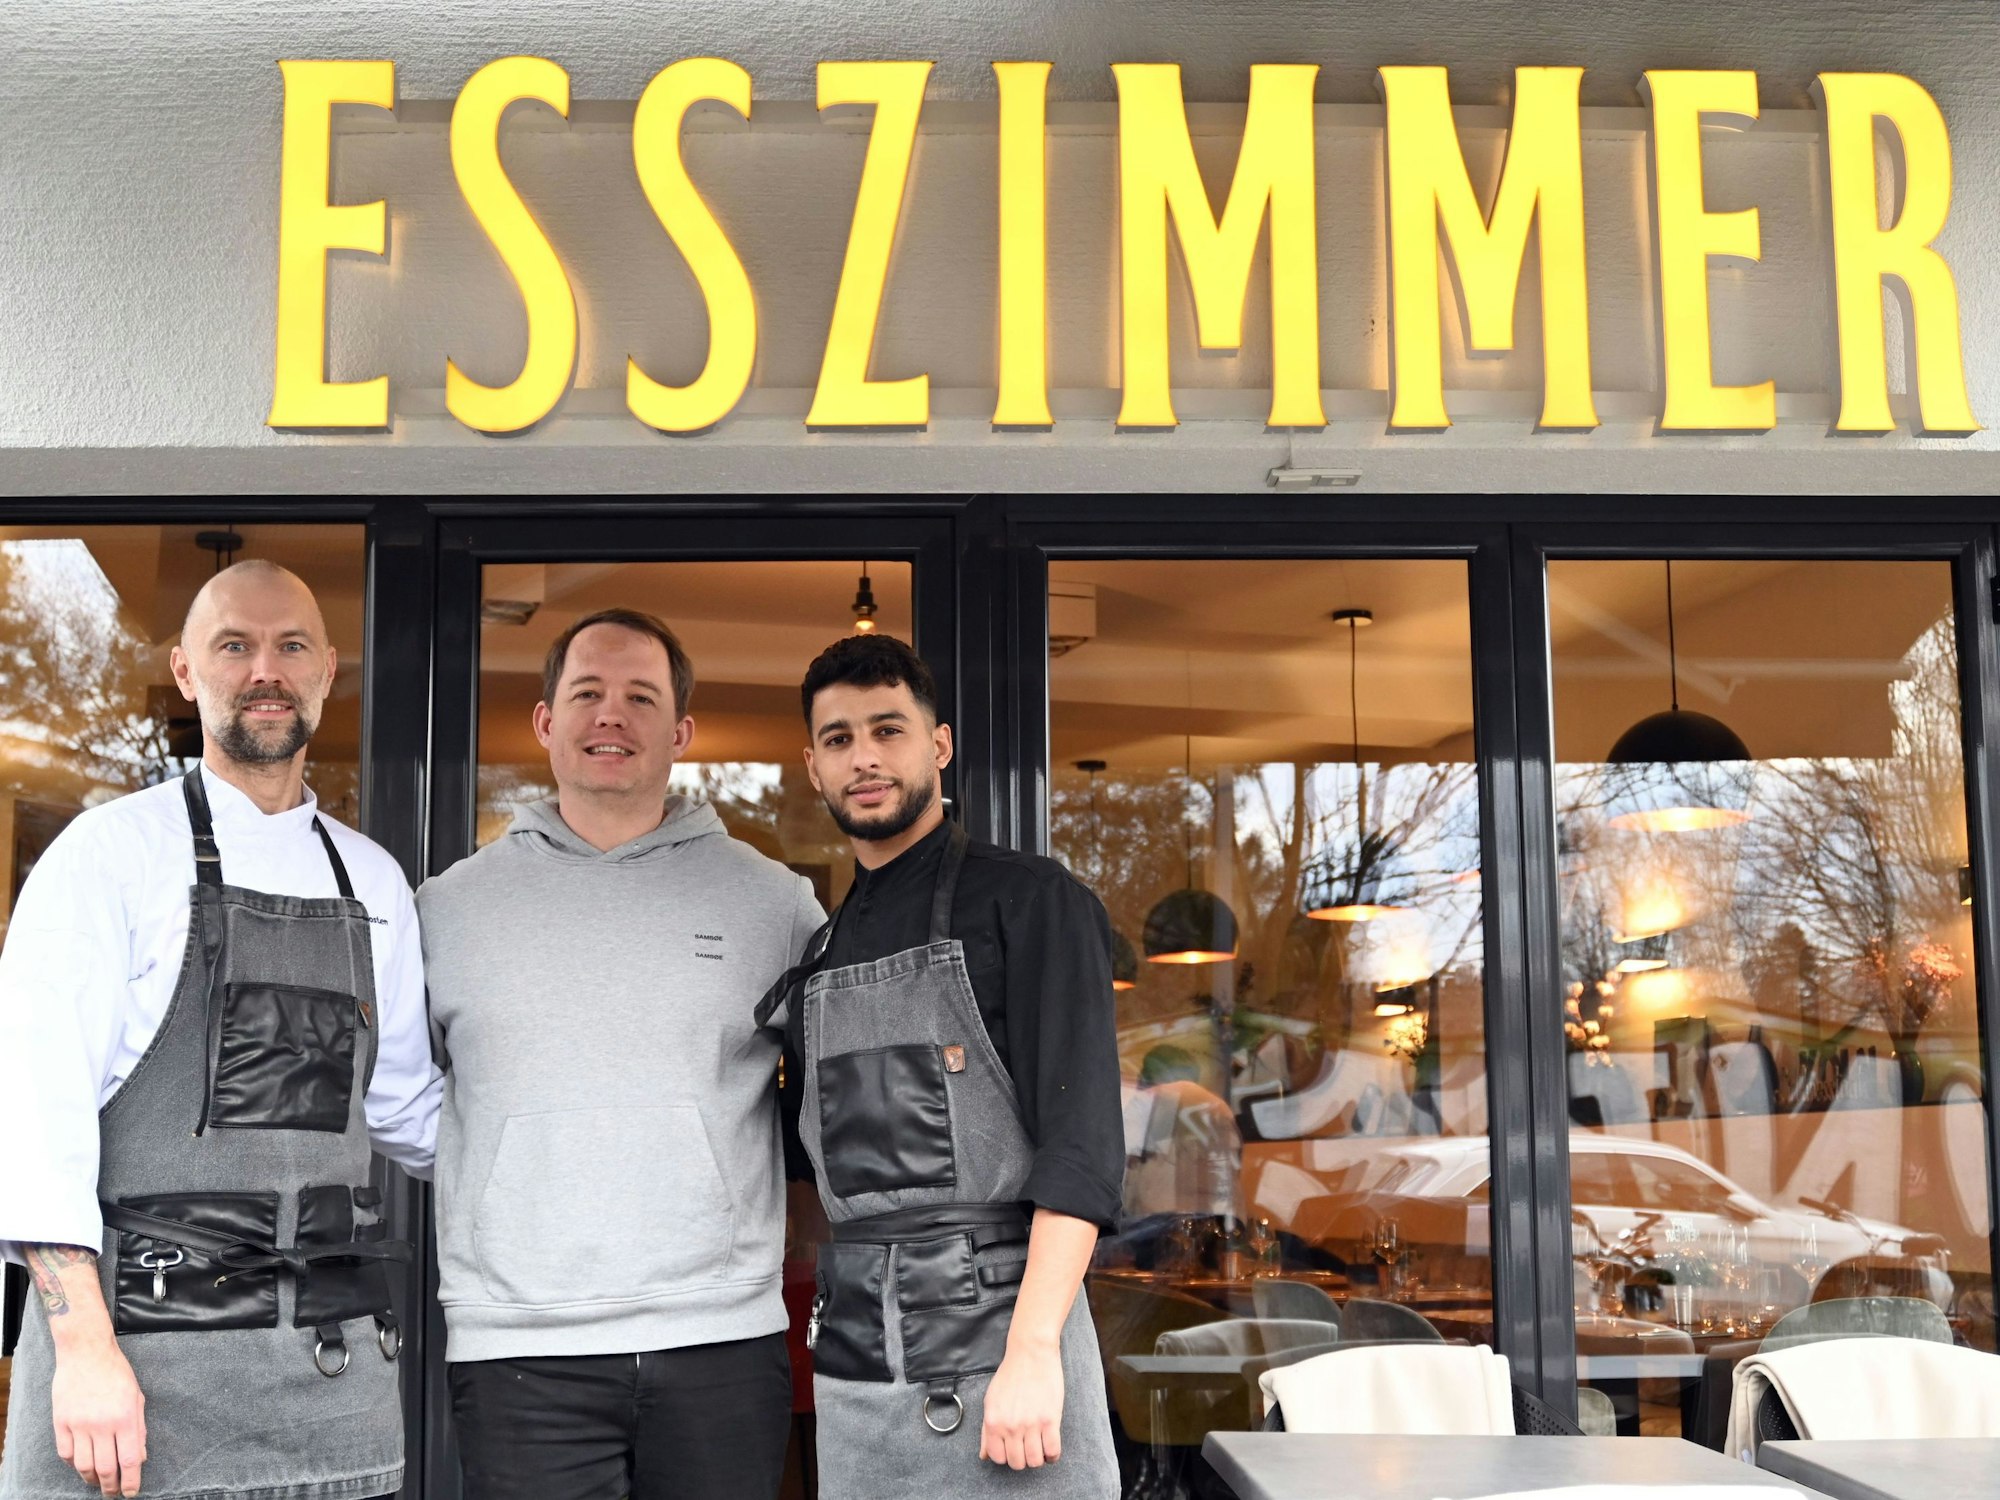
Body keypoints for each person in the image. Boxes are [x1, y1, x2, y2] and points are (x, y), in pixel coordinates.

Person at [0, 560, 441, 1500]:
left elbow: (410, 1114)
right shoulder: (107, 857)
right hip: (141, 1388)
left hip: (332, 1391)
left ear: (327, 670)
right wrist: (79, 1351)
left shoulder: (374, 883)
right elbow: (33, 1123)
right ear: (188, 672)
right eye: (234, 646)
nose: (264, 670)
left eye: (289, 647)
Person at [418, 607, 822, 1500]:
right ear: (545, 721)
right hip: (519, 1346)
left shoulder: (776, 904)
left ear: (680, 731)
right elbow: (403, 1099)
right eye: (588, 693)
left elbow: (836, 1104)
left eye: (641, 696)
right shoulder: (446, 909)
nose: (612, 715)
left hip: (722, 1337)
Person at [758, 634, 1122, 1498]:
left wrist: (1034, 1354)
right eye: (840, 740)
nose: (866, 758)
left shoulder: (1032, 901)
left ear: (940, 745)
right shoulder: (818, 953)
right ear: (813, 766)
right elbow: (798, 1163)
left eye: (889, 730)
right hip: (857, 1362)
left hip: (1002, 1342)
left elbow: (1082, 1156)